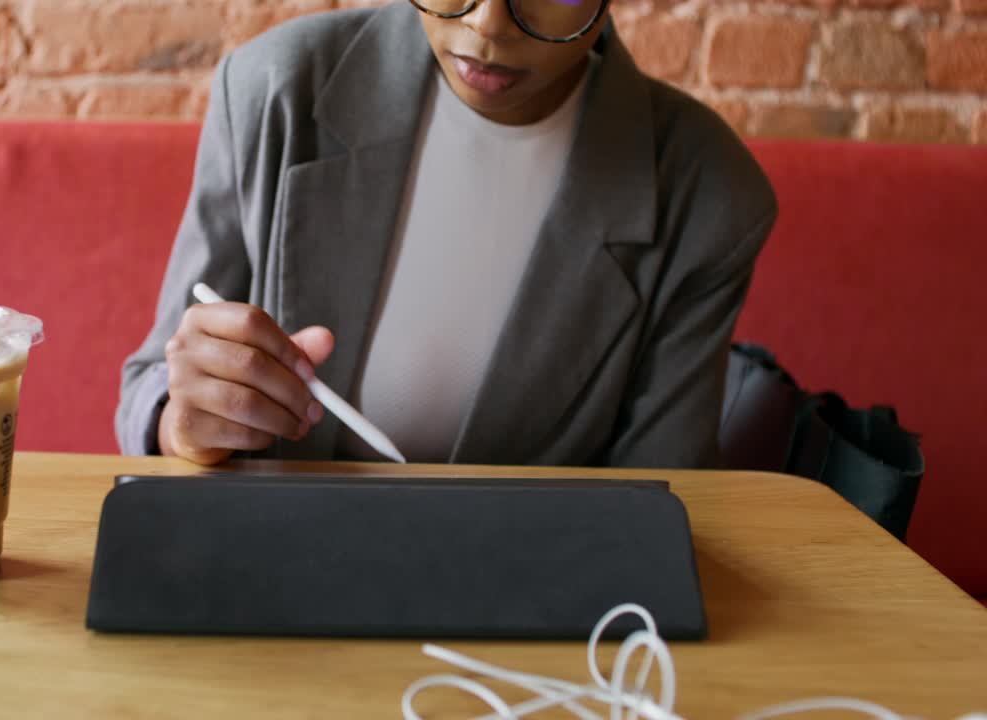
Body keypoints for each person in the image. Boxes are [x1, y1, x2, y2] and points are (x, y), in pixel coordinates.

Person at [116, 0, 777, 468]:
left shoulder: (708, 193)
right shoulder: (274, 89)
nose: (487, 23)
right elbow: (149, 385)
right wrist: (182, 423)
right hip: (270, 585)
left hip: (531, 620)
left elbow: (659, 501)